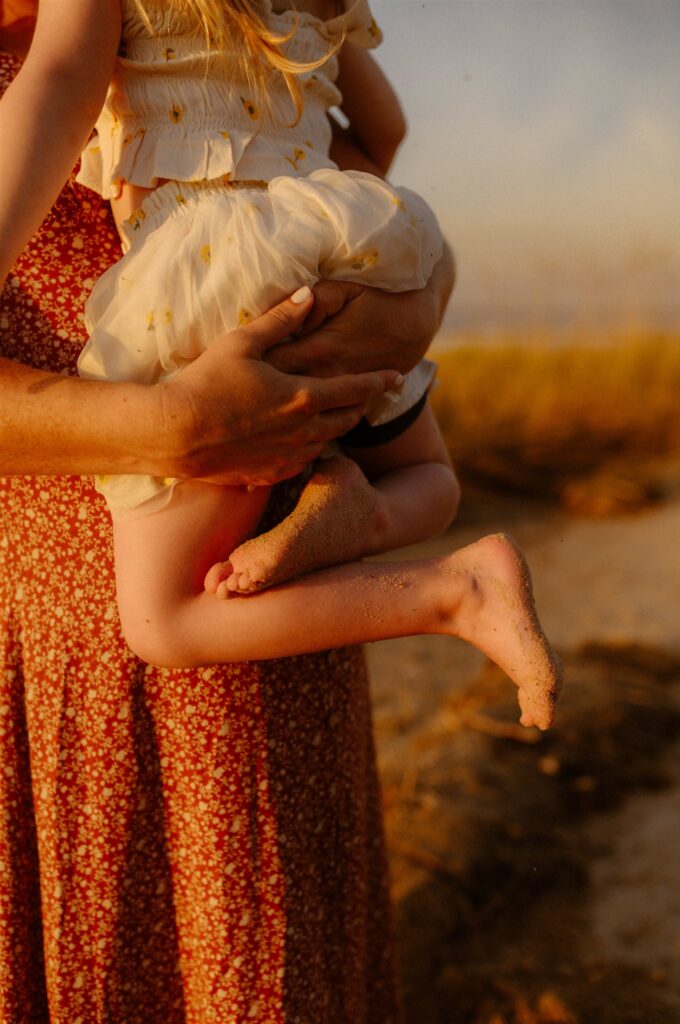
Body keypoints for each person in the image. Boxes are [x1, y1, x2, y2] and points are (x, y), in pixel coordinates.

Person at [0, 3, 456, 1018]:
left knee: (256, 948)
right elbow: (373, 140)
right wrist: (165, 420)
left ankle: (403, 542)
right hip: (84, 631)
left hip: (242, 598)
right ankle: (401, 537)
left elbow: (65, 80)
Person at [0, 0, 561, 729]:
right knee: (430, 480)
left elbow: (65, 77)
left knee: (164, 622)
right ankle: (360, 515)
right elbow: (385, 130)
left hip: (207, 271)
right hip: (348, 234)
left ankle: (455, 593)